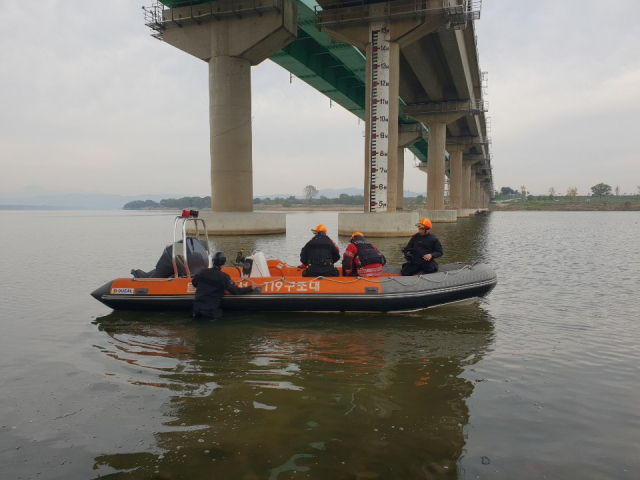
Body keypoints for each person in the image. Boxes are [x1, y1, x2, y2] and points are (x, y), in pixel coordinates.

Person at [192, 252, 256, 320]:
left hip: (196, 310)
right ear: (223, 264)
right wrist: (250, 288)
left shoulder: (202, 272)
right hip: (210, 312)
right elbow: (235, 291)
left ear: (213, 261)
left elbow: (194, 283)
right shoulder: (223, 276)